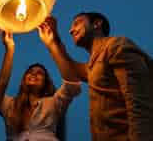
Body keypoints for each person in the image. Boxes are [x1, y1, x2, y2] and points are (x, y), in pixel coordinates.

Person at [38, 12, 153, 141]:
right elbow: (72, 71)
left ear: (97, 24)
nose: (70, 30)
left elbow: (139, 102)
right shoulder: (94, 64)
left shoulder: (117, 46)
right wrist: (52, 42)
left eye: (77, 23)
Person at [0, 43, 81, 140]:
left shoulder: (54, 103)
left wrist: (53, 43)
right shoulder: (9, 104)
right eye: (30, 71)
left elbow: (72, 85)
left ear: (46, 82)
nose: (34, 74)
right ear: (24, 79)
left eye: (39, 73)